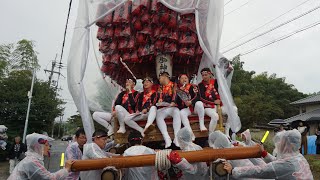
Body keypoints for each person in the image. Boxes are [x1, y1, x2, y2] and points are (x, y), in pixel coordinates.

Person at [223, 129, 314, 180]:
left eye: (281, 143)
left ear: (288, 145)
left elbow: (261, 170)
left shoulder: (287, 164)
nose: (279, 145)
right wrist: (264, 153)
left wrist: (233, 171)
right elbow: (278, 163)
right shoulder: (298, 157)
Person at [8, 133, 74, 180]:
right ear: (38, 147)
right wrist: (67, 169)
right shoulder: (32, 162)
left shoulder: (32, 159)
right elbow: (50, 178)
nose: (49, 148)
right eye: (47, 145)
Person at [155, 72, 181, 148]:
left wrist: (173, 102)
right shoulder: (160, 87)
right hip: (163, 107)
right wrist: (159, 100)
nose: (159, 80)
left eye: (160, 77)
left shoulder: (174, 85)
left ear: (164, 77)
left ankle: (177, 137)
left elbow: (175, 95)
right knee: (158, 115)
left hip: (172, 107)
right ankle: (167, 138)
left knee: (176, 112)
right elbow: (159, 97)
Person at [198, 68, 220, 133]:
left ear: (209, 74)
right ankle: (211, 135)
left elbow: (223, 79)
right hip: (208, 106)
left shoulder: (216, 82)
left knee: (233, 110)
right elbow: (201, 98)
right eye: (203, 75)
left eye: (206, 75)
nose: (204, 76)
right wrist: (213, 102)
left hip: (219, 104)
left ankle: (227, 132)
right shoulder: (200, 85)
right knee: (215, 116)